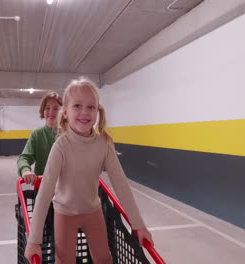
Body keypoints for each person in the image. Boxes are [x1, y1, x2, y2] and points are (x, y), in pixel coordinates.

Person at [24, 78, 153, 264]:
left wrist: (138, 225)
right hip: (64, 213)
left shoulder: (103, 145)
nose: (84, 112)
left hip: (93, 212)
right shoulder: (61, 146)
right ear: (66, 112)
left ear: (97, 112)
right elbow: (45, 192)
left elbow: (121, 185)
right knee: (64, 260)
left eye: (91, 107)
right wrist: (34, 240)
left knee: (104, 259)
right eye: (77, 106)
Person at [17, 92, 62, 185]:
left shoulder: (69, 134)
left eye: (56, 108)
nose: (51, 112)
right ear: (43, 111)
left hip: (65, 187)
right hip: (42, 185)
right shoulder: (37, 134)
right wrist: (25, 170)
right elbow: (24, 157)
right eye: (47, 108)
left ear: (63, 112)